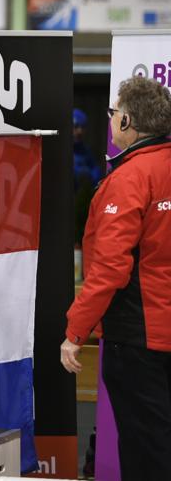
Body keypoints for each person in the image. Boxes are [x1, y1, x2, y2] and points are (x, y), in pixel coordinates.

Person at [60, 76, 171, 481]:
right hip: (156, 332)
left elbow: (110, 267)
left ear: (127, 121)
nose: (109, 121)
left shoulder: (128, 179)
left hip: (139, 338)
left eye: (112, 113)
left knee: (147, 454)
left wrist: (75, 331)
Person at [72, 107, 102, 192]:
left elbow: (96, 172)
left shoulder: (85, 151)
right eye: (76, 126)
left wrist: (88, 175)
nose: (80, 131)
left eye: (83, 127)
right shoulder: (60, 151)